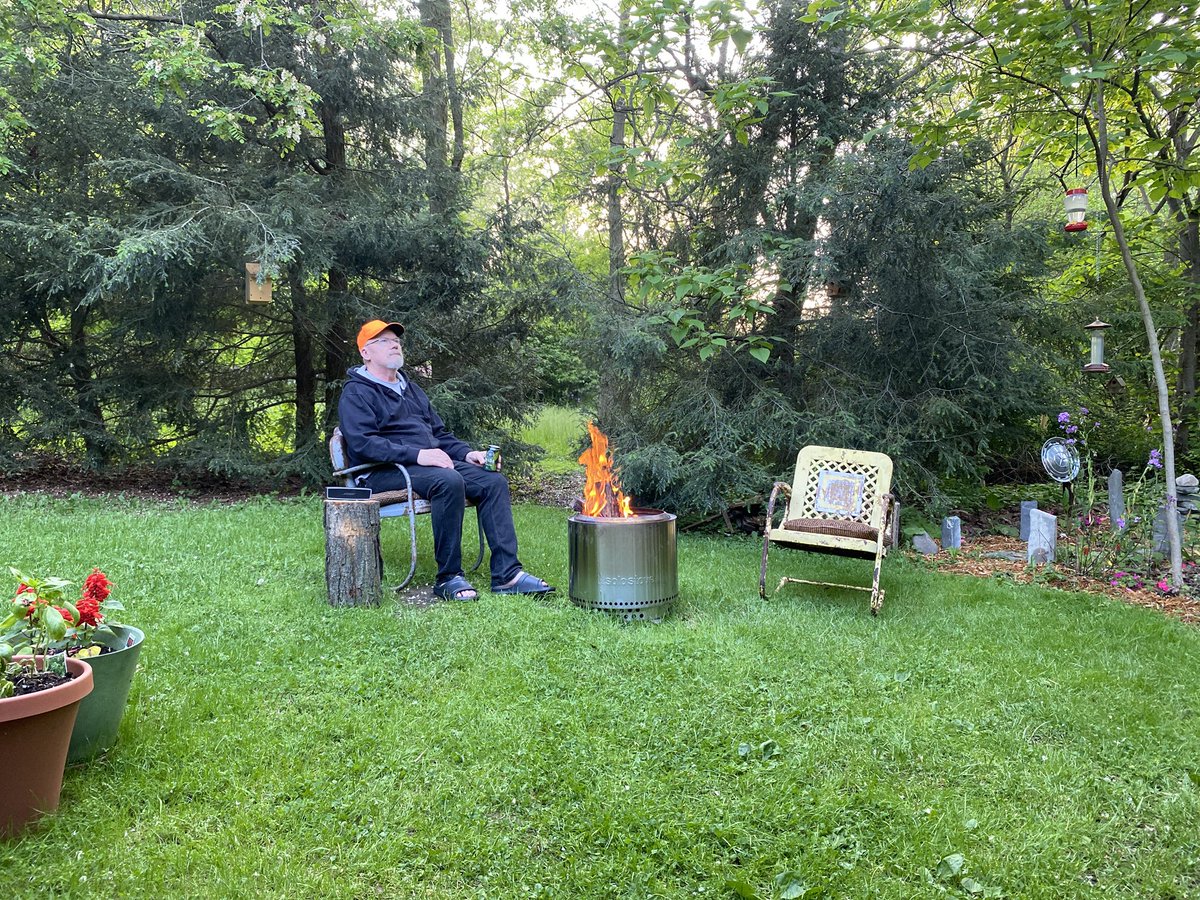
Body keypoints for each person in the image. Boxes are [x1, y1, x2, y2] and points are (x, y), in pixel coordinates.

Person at [337, 320, 554, 601]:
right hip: (381, 471)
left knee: (492, 481)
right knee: (448, 481)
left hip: (424, 466)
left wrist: (467, 454)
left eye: (397, 341)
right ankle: (449, 577)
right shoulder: (357, 392)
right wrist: (419, 455)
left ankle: (507, 575)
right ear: (365, 353)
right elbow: (364, 444)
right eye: (384, 341)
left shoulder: (411, 389)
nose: (394, 345)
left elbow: (439, 434)